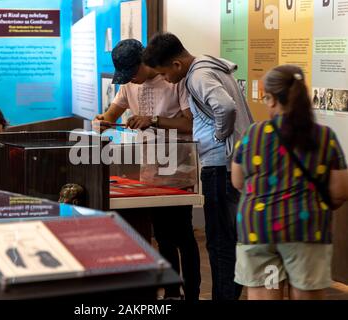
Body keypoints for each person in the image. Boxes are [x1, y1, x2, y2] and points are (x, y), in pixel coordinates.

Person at [143, 32, 253, 300]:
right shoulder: (209, 66)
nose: (167, 80)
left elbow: (225, 108)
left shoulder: (197, 76)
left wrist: (217, 136)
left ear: (177, 65)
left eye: (165, 74)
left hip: (220, 166)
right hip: (232, 164)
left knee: (220, 242)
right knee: (227, 239)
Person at [93, 39, 200, 300]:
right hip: (149, 170)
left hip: (179, 166)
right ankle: (172, 291)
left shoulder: (173, 79)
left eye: (133, 73)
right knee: (162, 236)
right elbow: (112, 112)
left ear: (145, 62)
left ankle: (193, 292)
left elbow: (190, 124)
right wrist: (103, 121)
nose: (132, 79)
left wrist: (153, 120)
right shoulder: (130, 84)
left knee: (183, 234)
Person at [231, 65, 348, 300]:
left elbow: (237, 181)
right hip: (306, 232)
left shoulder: (253, 134)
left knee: (267, 292)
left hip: (259, 231)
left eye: (265, 98)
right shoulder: (324, 137)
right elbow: (339, 192)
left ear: (273, 100)